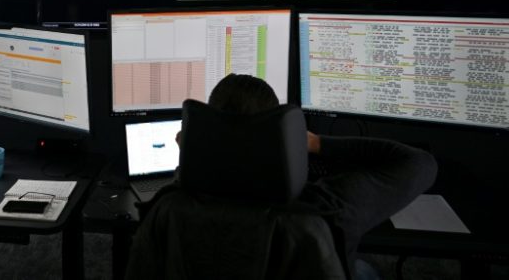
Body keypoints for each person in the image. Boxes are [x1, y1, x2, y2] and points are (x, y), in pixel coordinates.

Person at [174, 73, 438, 279]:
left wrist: (188, 158)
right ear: (278, 133)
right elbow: (420, 162)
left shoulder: (172, 205)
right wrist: (316, 143)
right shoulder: (324, 208)